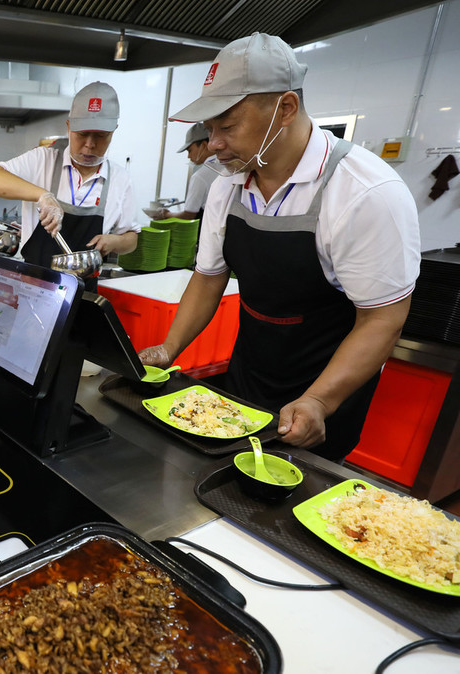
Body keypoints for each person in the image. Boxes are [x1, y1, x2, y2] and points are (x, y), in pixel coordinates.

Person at [140, 33, 420, 462]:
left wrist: (320, 402)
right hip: (249, 369)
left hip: (326, 383)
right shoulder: (227, 183)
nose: (213, 143)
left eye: (227, 126)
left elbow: (383, 319)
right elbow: (208, 277)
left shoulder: (364, 192)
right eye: (210, 129)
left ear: (285, 108)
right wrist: (167, 350)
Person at [0, 81, 139, 290]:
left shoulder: (120, 179)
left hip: (84, 299)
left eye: (100, 136)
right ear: (69, 127)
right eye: (82, 134)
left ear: (113, 131)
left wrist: (113, 242)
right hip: (32, 291)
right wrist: (43, 195)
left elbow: (132, 239)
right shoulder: (42, 160)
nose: (90, 144)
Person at [162, 122, 219, 221]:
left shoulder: (200, 176)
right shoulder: (227, 167)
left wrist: (167, 214)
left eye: (189, 150)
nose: (188, 156)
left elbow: (189, 215)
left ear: (204, 145)